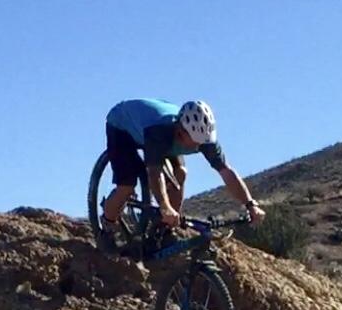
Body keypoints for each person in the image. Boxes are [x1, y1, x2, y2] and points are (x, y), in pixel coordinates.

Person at [99, 98, 265, 252]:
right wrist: (165, 207)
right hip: (122, 126)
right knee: (126, 186)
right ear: (180, 131)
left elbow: (227, 172)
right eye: (194, 142)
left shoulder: (204, 140)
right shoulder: (160, 131)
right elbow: (154, 173)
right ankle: (107, 226)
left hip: (157, 132)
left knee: (181, 172)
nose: (197, 147)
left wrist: (250, 204)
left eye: (201, 143)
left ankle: (164, 230)